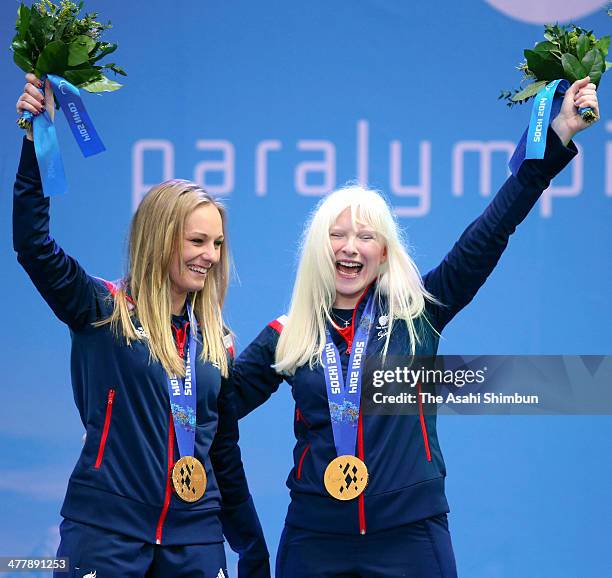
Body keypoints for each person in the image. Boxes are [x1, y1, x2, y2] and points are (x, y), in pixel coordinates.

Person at [230, 77, 599, 577]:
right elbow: (211, 409)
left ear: (384, 251)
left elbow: (490, 231)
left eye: (365, 236)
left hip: (411, 534)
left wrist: (554, 139)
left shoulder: (419, 311)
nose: (350, 247)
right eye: (337, 235)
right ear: (317, 247)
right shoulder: (288, 332)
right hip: (316, 538)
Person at [14, 74, 270, 578]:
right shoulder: (103, 310)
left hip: (196, 538)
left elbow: (221, 449)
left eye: (217, 244)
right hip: (106, 534)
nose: (210, 257)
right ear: (160, 238)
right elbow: (34, 246)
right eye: (197, 242)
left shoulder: (217, 343)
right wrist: (34, 140)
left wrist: (251, 547)